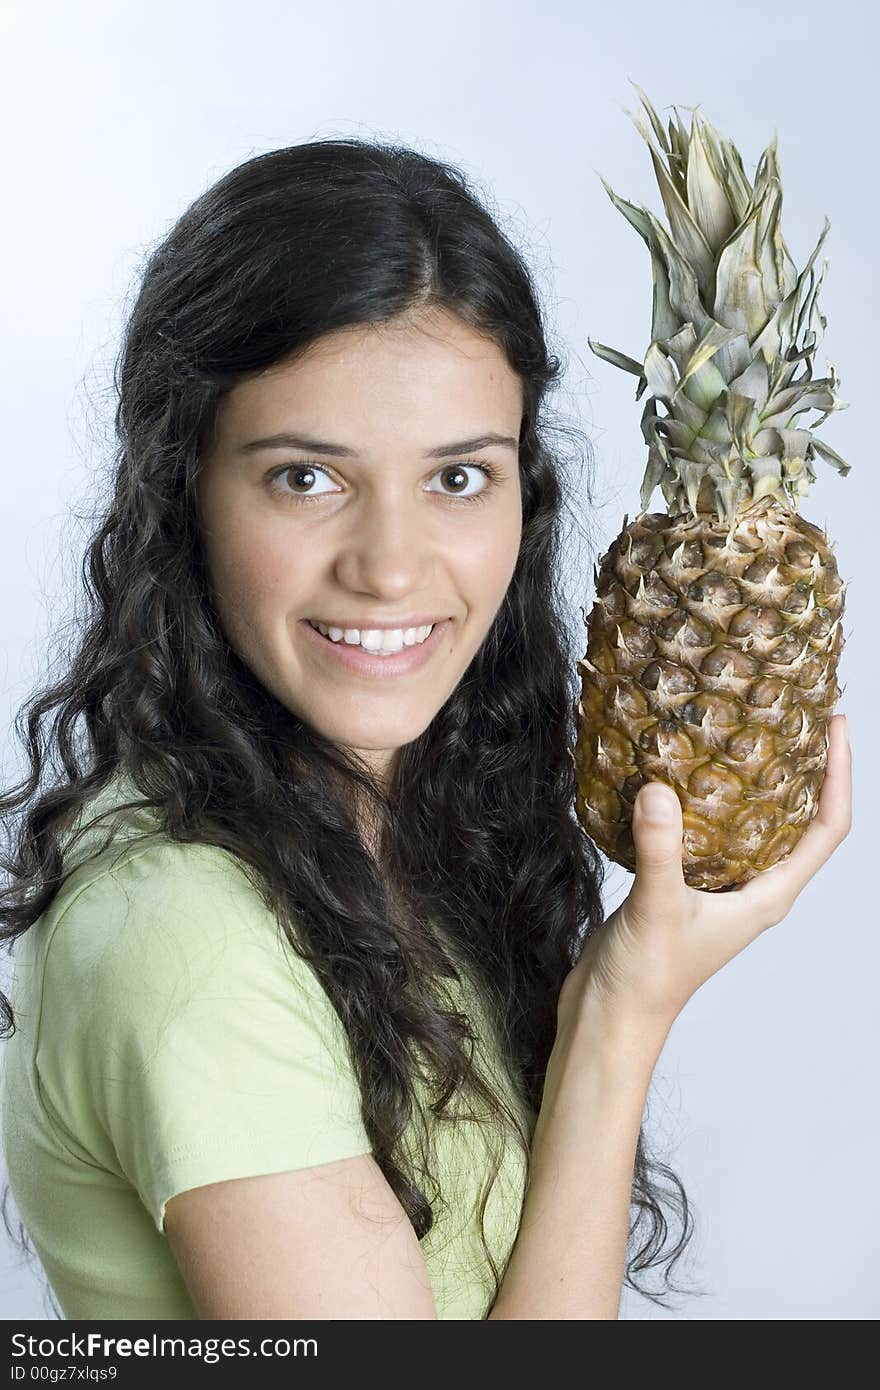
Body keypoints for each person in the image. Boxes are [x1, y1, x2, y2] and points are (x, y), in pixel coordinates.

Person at [0, 138, 852, 1322]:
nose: (392, 567)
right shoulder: (185, 935)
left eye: (458, 477)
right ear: (180, 484)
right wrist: (619, 1012)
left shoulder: (382, 836)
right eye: (307, 477)